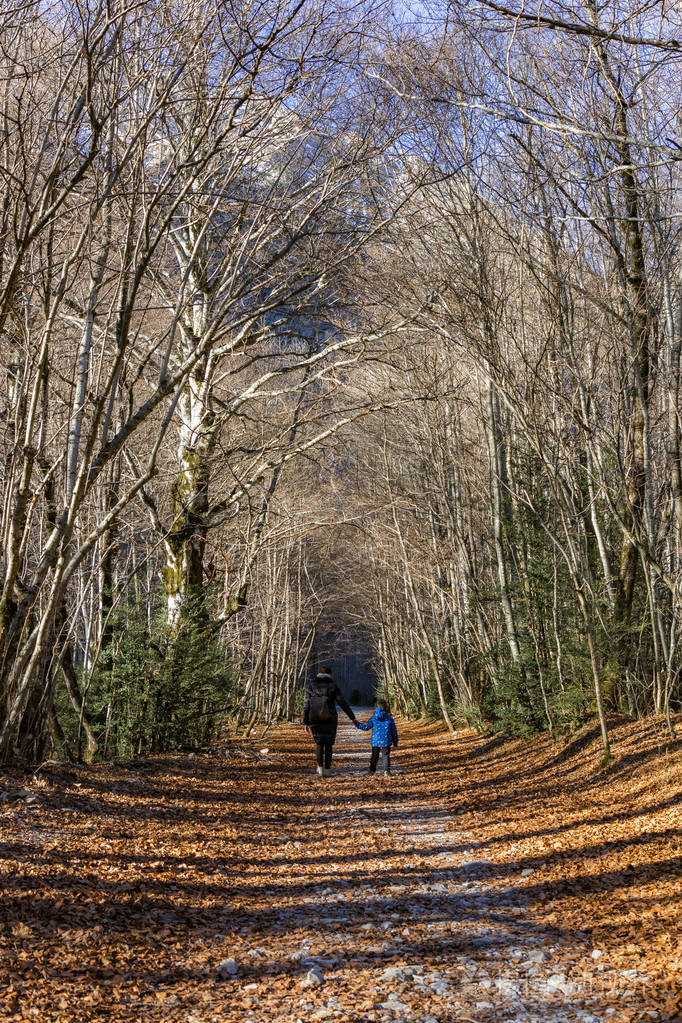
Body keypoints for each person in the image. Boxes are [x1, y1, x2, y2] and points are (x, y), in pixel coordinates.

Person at [303, 665, 357, 776]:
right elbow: (342, 702)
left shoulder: (312, 685)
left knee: (319, 743)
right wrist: (352, 717)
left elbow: (306, 704)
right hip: (330, 718)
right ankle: (327, 770)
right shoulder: (332, 685)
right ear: (330, 674)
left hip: (314, 718)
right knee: (328, 744)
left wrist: (306, 722)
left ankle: (320, 769)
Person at [355, 699, 398, 776]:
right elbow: (394, 731)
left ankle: (371, 771)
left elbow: (366, 727)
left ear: (377, 707)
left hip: (376, 740)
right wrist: (395, 741)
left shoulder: (374, 717)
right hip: (386, 740)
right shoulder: (389, 718)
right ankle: (386, 772)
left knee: (375, 756)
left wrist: (357, 724)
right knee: (385, 756)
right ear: (385, 707)